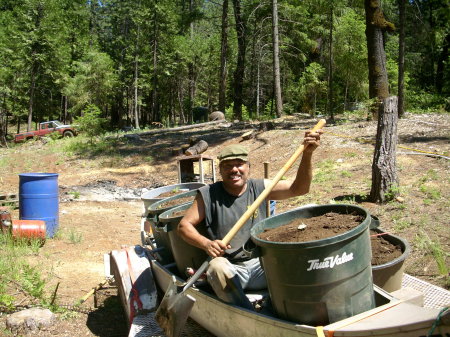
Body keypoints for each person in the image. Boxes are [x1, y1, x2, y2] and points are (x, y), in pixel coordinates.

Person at [178, 129, 322, 309]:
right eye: (228, 166)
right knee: (216, 267)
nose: (234, 170)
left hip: (262, 265)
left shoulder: (260, 187)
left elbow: (299, 188)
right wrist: (206, 244)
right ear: (220, 170)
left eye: (239, 164)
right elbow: (184, 226)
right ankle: (247, 312)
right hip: (232, 270)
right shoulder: (208, 194)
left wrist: (307, 154)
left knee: (298, 259)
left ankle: (289, 305)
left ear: (248, 167)